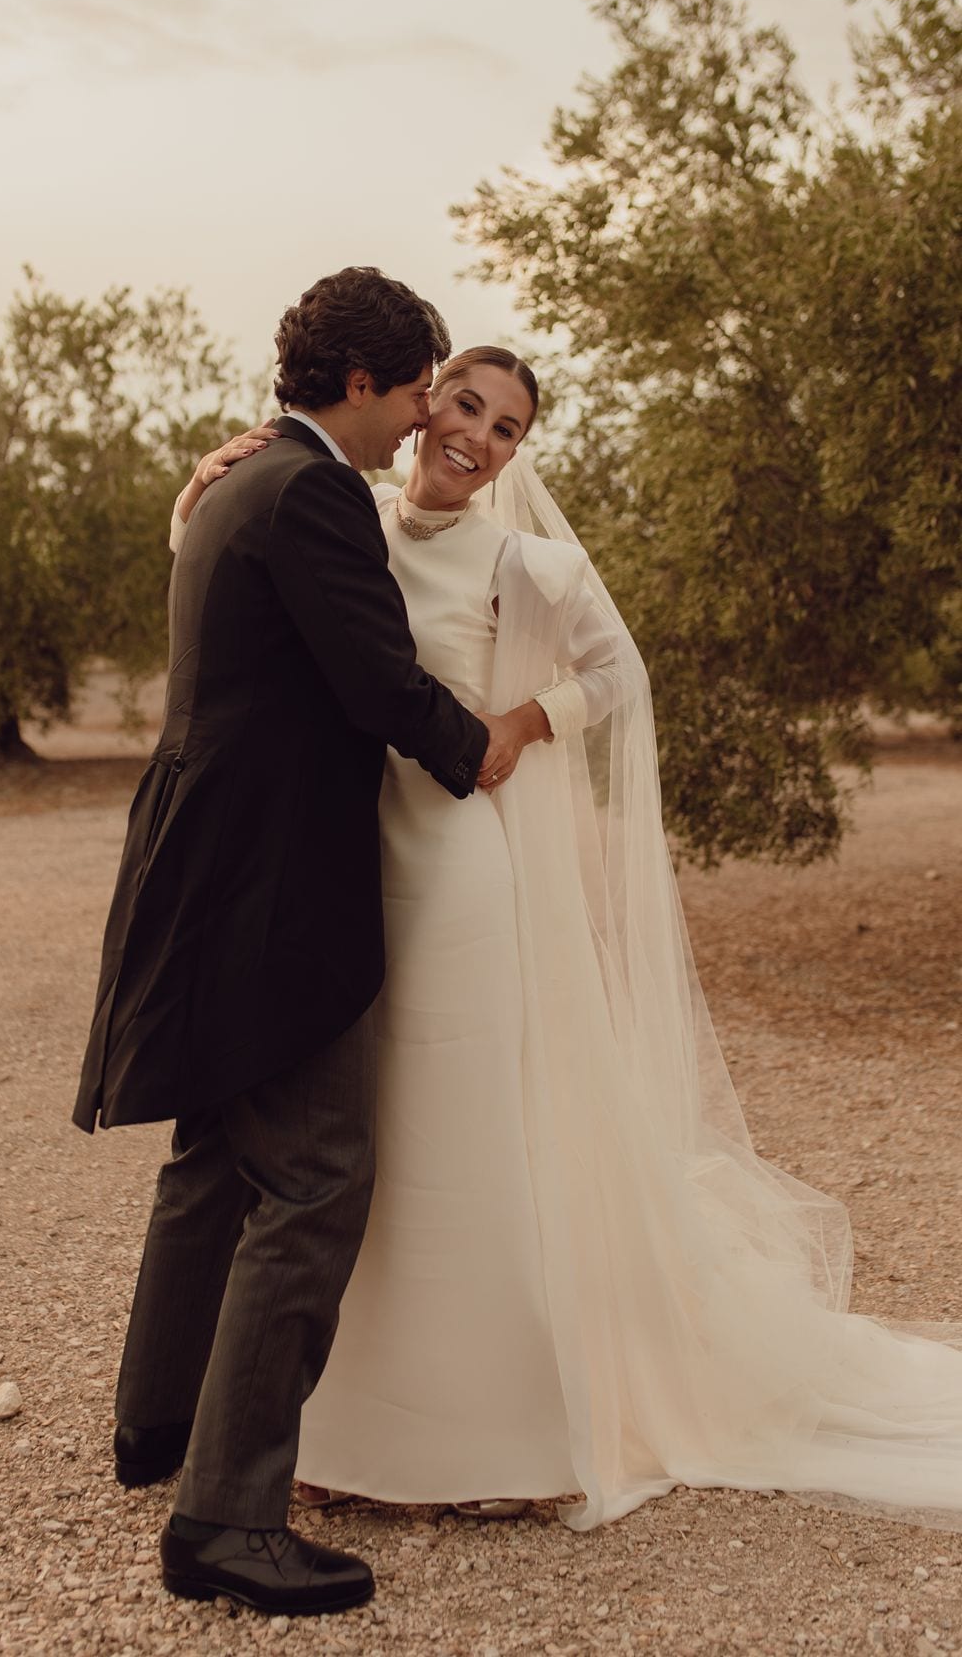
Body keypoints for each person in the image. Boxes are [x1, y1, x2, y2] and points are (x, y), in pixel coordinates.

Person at [176, 345, 962, 1531]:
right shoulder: (333, 517)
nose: (479, 438)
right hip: (342, 869)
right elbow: (230, 593)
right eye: (467, 406)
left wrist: (526, 720)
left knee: (455, 1145)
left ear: (514, 455)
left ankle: (487, 1440)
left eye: (507, 429)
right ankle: (340, 1429)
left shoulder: (523, 560)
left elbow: (618, 673)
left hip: (452, 877)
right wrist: (196, 492)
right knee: (354, 1159)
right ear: (420, 402)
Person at [71, 270, 521, 1621]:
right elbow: (377, 675)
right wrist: (475, 747)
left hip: (200, 860)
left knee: (217, 1156)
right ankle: (225, 1521)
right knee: (318, 1178)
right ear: (366, 383)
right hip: (271, 883)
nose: (422, 423)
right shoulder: (315, 489)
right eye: (418, 393)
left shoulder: (239, 482)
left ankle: (157, 1430)